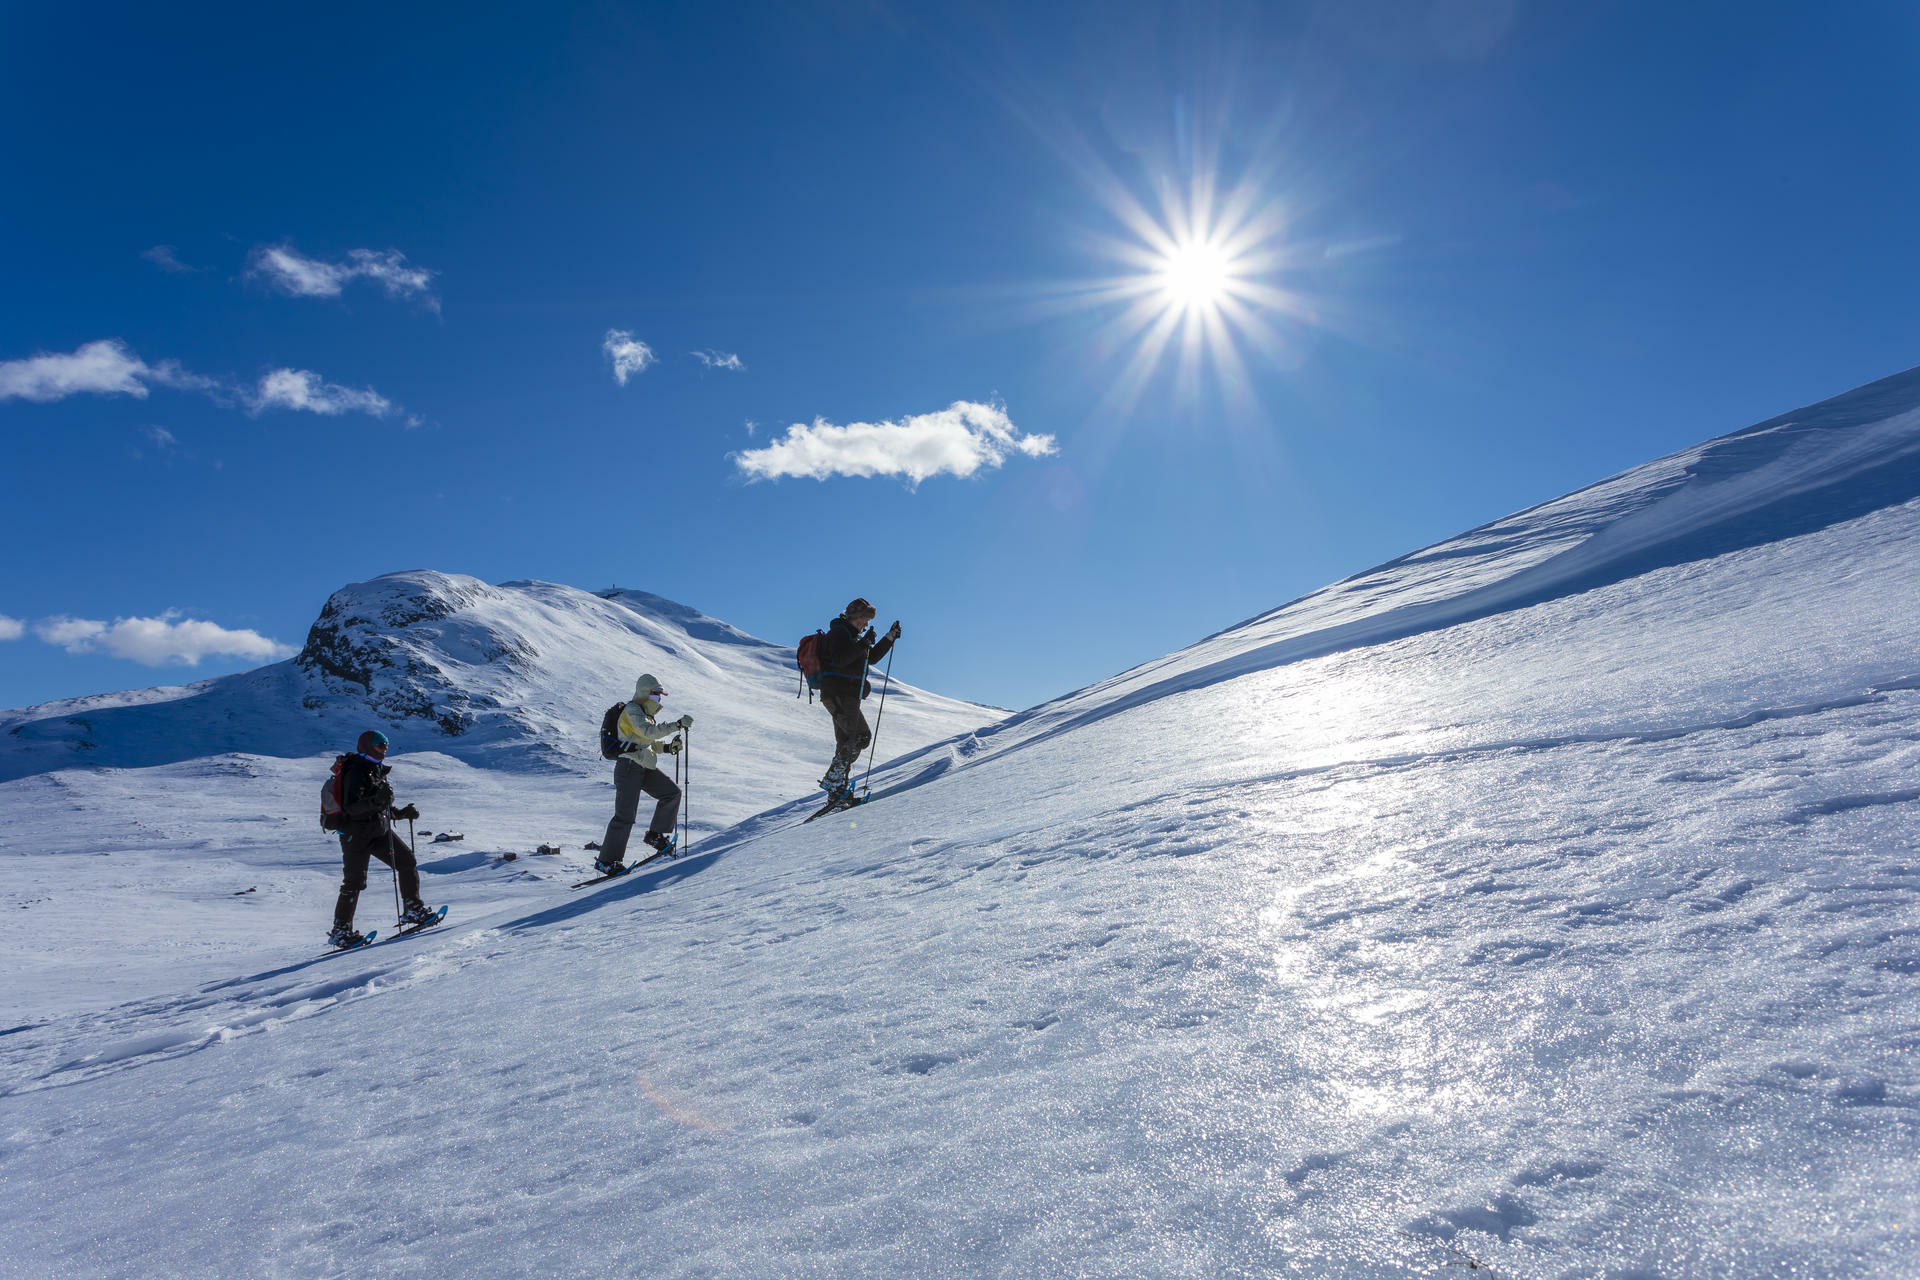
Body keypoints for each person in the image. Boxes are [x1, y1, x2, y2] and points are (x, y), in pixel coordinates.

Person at [329, 730, 436, 948]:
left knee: (407, 862)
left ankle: (413, 909)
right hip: (355, 835)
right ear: (367, 745)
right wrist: (378, 800)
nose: (384, 748)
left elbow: (379, 804)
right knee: (354, 883)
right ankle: (341, 931)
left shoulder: (374, 769)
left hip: (378, 831)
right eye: (380, 744)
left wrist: (400, 813)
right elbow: (352, 807)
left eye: (386, 744)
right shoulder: (356, 771)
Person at [597, 674, 693, 876]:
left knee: (672, 793)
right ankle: (607, 861)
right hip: (629, 767)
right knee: (625, 815)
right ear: (645, 693)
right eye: (656, 695)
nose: (659, 699)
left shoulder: (645, 714)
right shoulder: (632, 710)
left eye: (660, 696)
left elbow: (648, 742)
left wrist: (668, 748)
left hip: (643, 766)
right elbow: (648, 732)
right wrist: (676, 725)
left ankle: (655, 835)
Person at [815, 597, 901, 804]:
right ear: (854, 617)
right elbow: (840, 659)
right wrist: (863, 643)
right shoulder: (839, 632)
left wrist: (888, 638)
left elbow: (869, 658)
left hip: (845, 695)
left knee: (846, 741)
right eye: (864, 618)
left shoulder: (852, 635)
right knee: (861, 736)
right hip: (839, 693)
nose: (866, 623)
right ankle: (834, 780)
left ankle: (837, 793)